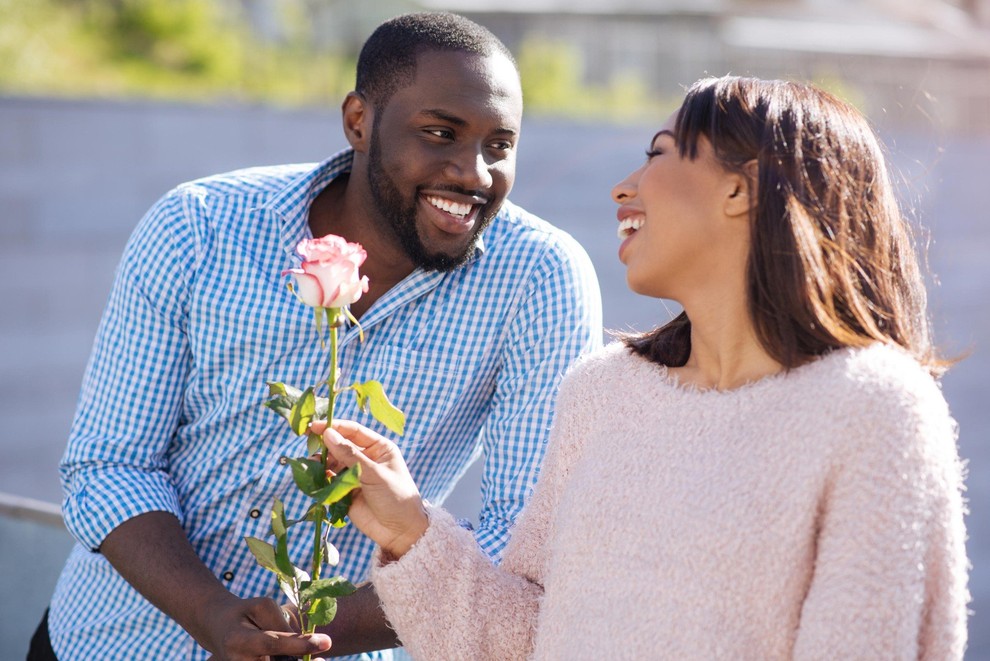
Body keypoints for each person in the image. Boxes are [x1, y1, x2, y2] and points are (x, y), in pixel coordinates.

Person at [315, 75, 970, 659]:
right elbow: (527, 638)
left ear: (740, 188)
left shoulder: (874, 407)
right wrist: (411, 528)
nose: (624, 186)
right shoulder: (604, 391)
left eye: (659, 152)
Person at [34, 11, 602, 661]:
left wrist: (312, 637)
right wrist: (211, 613)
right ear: (358, 121)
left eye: (499, 145)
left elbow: (527, 534)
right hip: (111, 642)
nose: (474, 173)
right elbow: (110, 464)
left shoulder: (539, 279)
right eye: (440, 133)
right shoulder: (197, 226)